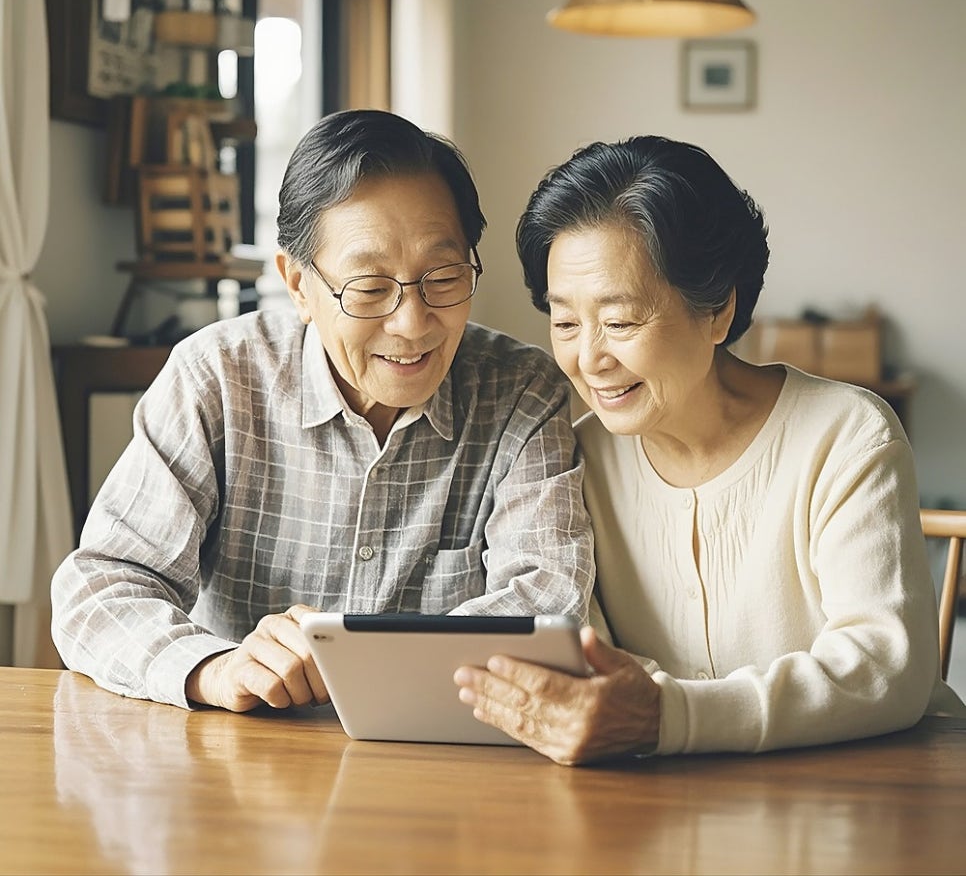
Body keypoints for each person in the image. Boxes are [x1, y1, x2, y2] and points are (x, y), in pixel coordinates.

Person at [51, 109, 594, 712]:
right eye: (369, 288)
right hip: (243, 754)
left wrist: (357, 665)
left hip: (440, 758)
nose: (413, 324)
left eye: (442, 277)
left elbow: (545, 602)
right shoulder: (219, 377)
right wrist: (214, 668)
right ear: (299, 285)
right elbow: (100, 589)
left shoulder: (521, 389)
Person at [454, 134, 965, 764]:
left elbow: (884, 669)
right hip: (664, 798)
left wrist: (670, 717)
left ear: (718, 311)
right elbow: (593, 663)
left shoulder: (845, 435)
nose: (589, 359)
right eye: (564, 322)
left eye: (619, 322)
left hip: (877, 784)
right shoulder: (571, 459)